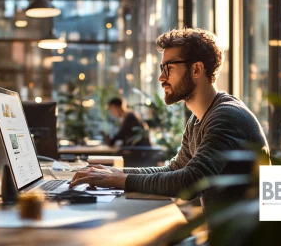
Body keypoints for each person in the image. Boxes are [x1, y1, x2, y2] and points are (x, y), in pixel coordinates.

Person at [70, 28, 270, 213]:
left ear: (197, 70)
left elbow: (190, 182)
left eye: (168, 68)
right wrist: (115, 173)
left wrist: (120, 179)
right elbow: (175, 169)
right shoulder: (198, 119)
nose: (161, 78)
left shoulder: (226, 116)